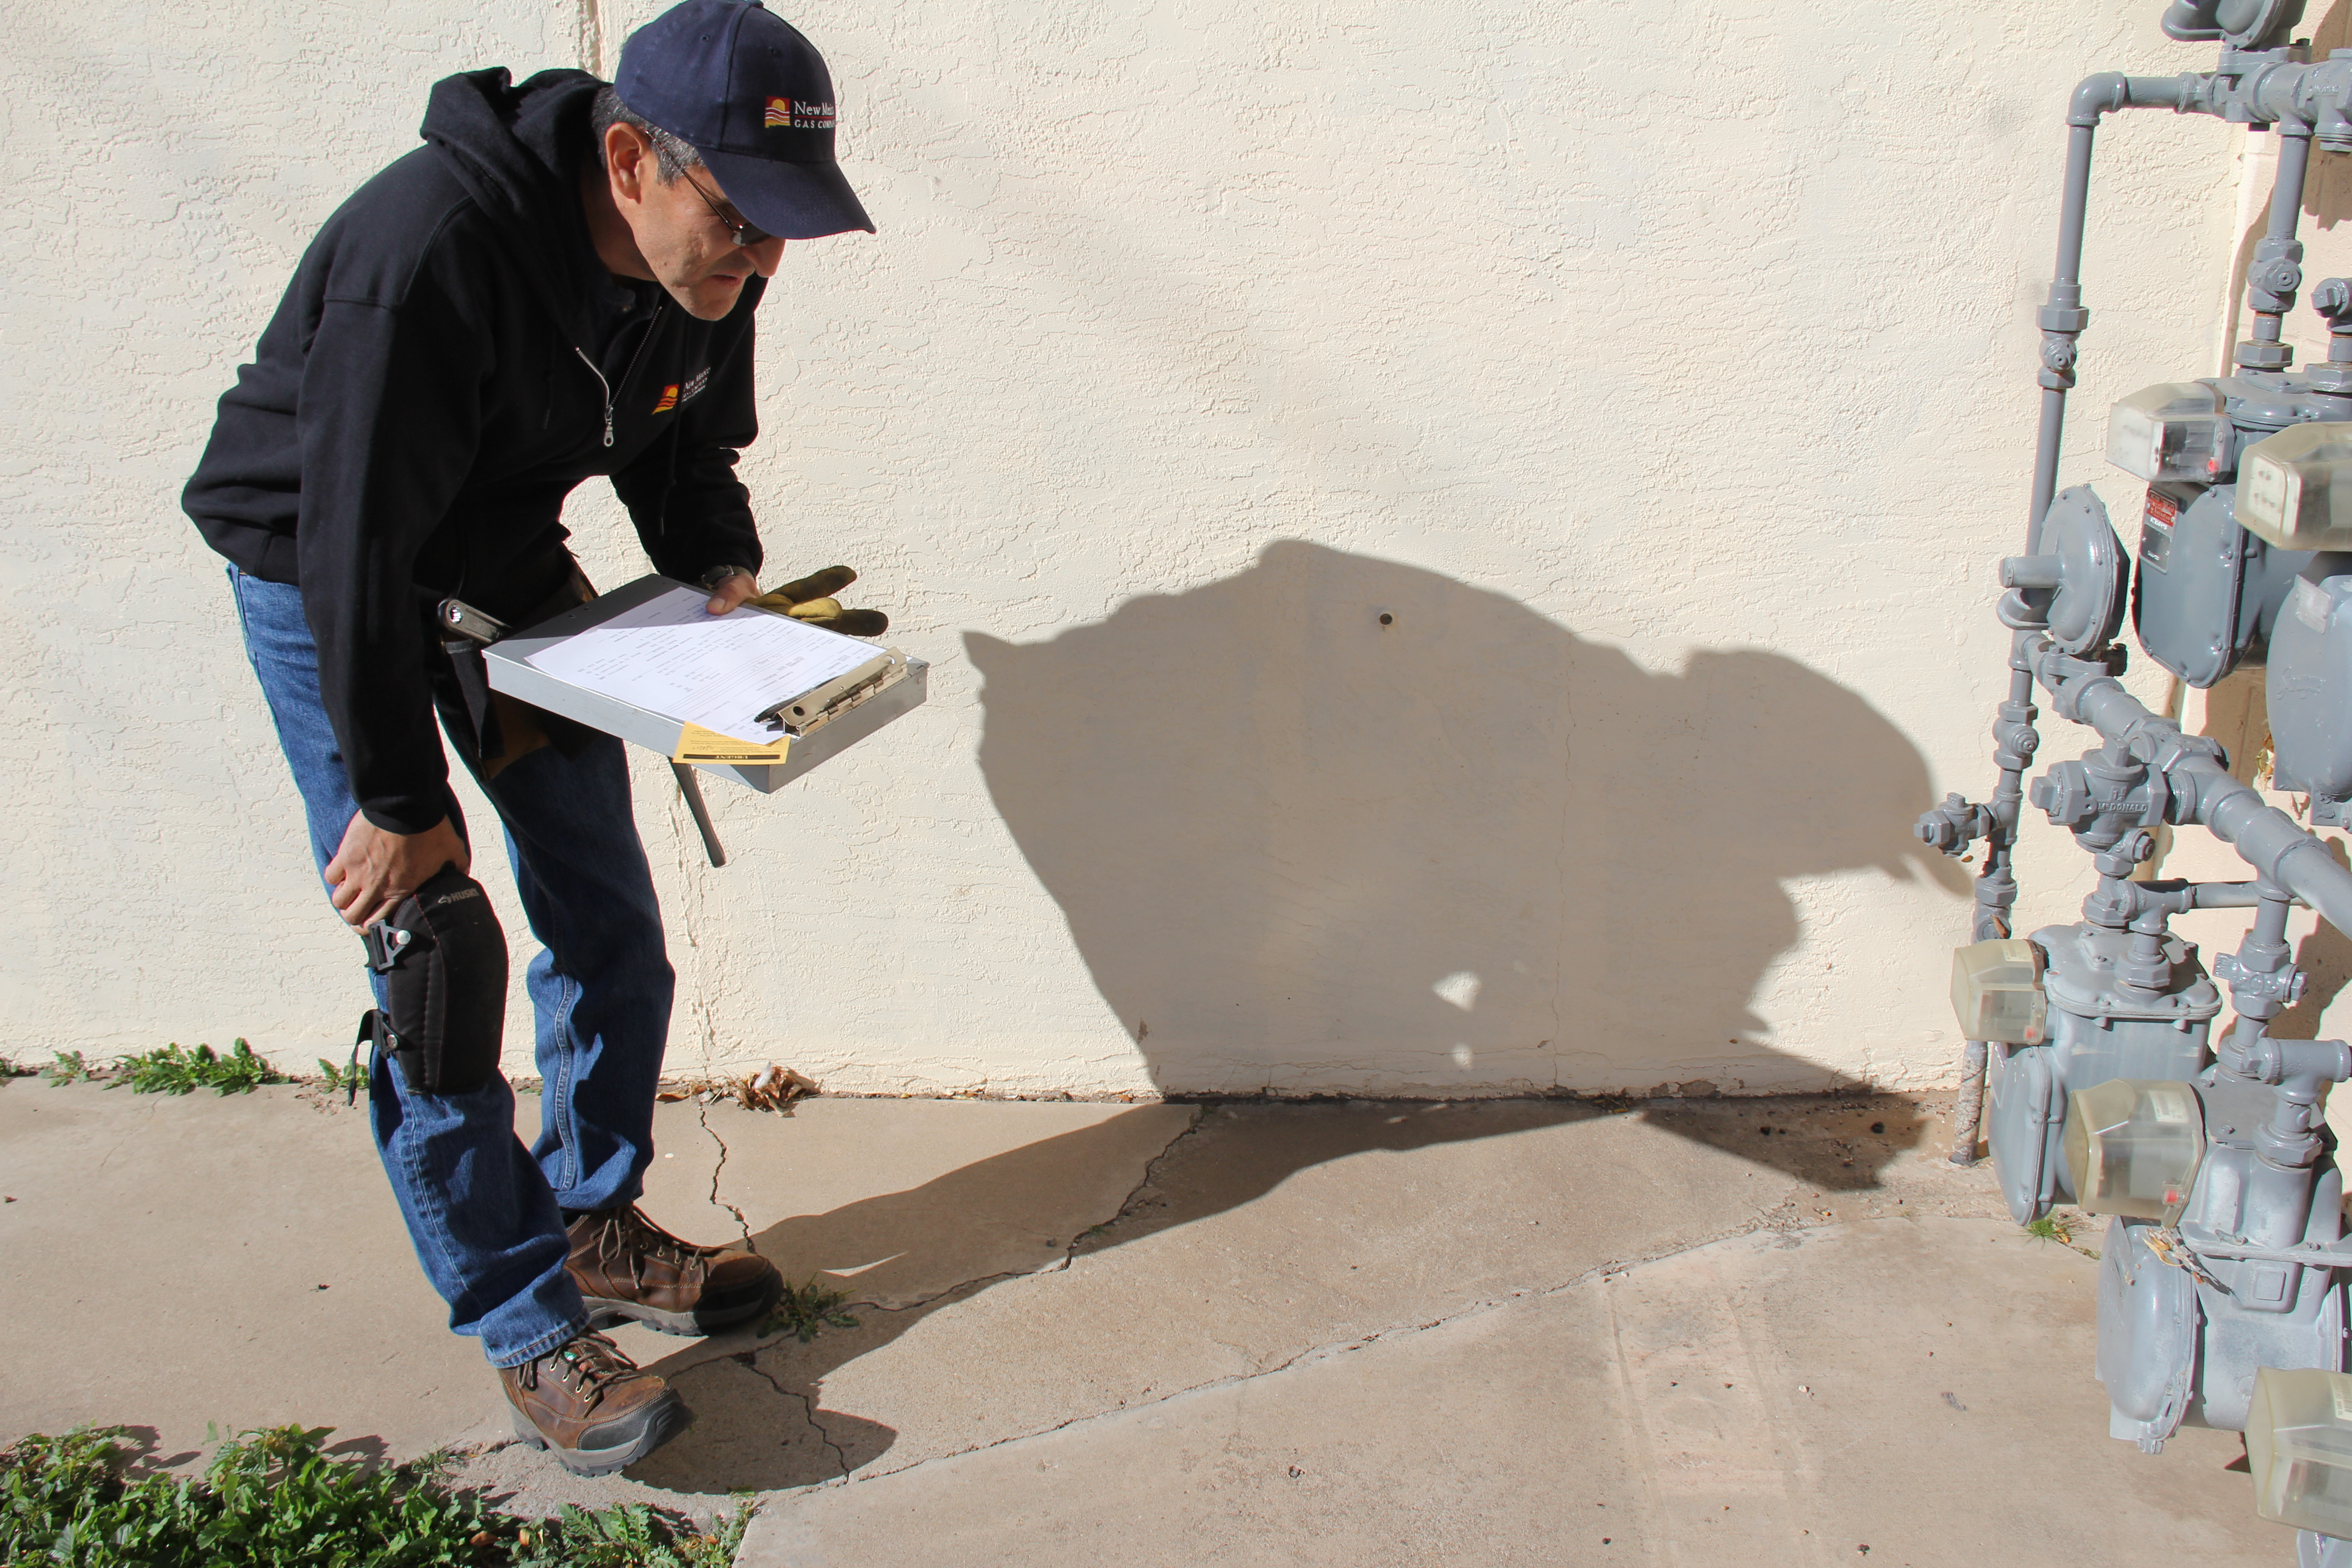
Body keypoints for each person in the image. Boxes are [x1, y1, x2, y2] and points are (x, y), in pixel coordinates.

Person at [181, 0, 874, 1475]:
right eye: (745, 220)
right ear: (630, 160)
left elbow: (691, 446)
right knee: (434, 945)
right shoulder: (427, 252)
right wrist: (395, 790)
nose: (764, 259)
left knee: (602, 897)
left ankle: (591, 1216)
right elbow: (353, 544)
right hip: (326, 571)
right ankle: (525, 1328)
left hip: (496, 551)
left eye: (788, 230)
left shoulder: (714, 266)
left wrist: (722, 580)